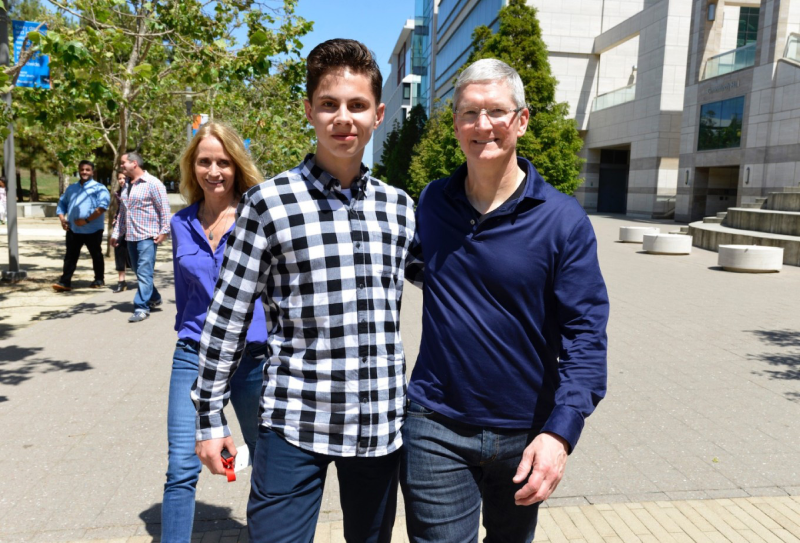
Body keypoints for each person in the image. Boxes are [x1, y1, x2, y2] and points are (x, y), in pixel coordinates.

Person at [192, 39, 416, 543]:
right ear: (309, 111)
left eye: (357, 105)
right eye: (329, 104)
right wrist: (209, 418)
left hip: (378, 425)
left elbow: (453, 284)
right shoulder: (268, 204)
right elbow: (227, 316)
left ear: (378, 115)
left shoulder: (400, 208)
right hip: (295, 419)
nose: (344, 118)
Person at [400, 58, 610, 542]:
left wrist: (560, 433)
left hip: (527, 431)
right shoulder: (432, 202)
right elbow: (417, 266)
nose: (483, 125)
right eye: (470, 113)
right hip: (435, 424)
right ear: (456, 124)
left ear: (522, 119)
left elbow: (585, 336)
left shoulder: (563, 221)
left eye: (496, 111)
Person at [163, 122, 268, 542]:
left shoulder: (258, 219)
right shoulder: (180, 223)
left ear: (237, 166)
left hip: (252, 357)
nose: (214, 171)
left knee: (268, 462)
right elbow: (184, 294)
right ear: (192, 167)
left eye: (223, 162)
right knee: (180, 467)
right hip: (194, 352)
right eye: (204, 161)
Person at [110, 152, 171, 322]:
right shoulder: (126, 185)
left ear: (134, 163)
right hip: (130, 236)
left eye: (123, 162)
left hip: (148, 236)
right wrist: (116, 233)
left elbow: (164, 209)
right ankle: (154, 297)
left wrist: (164, 231)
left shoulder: (153, 183)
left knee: (144, 272)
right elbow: (123, 213)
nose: (121, 166)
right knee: (139, 272)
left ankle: (141, 307)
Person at [52, 160, 110, 292]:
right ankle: (65, 282)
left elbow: (102, 207)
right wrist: (62, 219)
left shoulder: (99, 188)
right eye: (82, 169)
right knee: (70, 256)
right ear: (79, 170)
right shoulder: (71, 188)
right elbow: (62, 204)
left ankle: (99, 279)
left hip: (93, 230)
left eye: (87, 170)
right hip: (73, 229)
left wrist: (86, 220)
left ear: (93, 172)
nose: (84, 172)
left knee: (96, 255)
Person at [112, 171, 131, 293]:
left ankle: (144, 282)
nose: (122, 180)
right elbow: (120, 208)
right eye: (119, 178)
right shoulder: (118, 193)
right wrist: (116, 217)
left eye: (124, 178)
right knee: (118, 249)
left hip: (135, 227)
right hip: (121, 225)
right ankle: (121, 281)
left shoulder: (134, 191)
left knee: (134, 254)